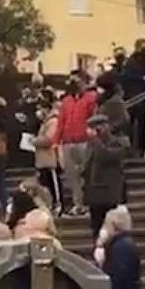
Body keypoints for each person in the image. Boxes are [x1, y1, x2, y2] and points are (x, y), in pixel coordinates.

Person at [82, 112, 131, 239]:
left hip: (110, 193)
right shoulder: (91, 145)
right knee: (96, 227)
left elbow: (107, 157)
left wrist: (97, 141)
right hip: (94, 193)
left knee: (111, 228)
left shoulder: (118, 142)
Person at [56, 75, 98, 216]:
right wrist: (57, 142)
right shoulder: (66, 101)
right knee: (72, 176)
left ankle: (88, 203)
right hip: (68, 141)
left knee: (87, 174)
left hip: (84, 140)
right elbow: (61, 121)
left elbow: (94, 117)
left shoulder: (91, 98)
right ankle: (78, 204)